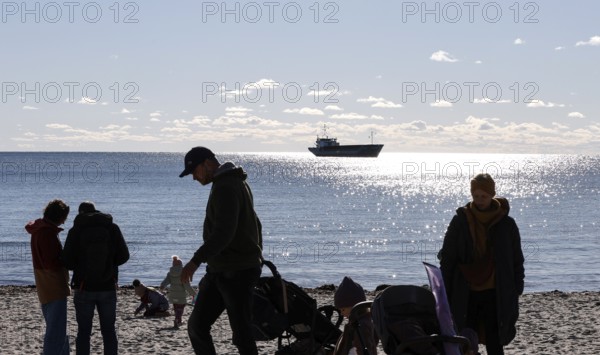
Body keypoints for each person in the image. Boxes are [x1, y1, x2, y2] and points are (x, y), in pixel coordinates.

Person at [178, 146, 263, 355]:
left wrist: (194, 261)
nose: (194, 178)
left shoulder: (226, 186)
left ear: (207, 163)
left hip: (237, 271)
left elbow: (224, 233)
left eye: (194, 171)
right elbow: (255, 225)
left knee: (241, 334)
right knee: (197, 326)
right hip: (221, 269)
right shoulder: (230, 182)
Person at [439, 173, 525, 355]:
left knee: (495, 339)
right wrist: (444, 288)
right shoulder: (460, 220)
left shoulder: (507, 224)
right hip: (465, 290)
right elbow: (447, 256)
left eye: (483, 196)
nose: (479, 200)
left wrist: (517, 286)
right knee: (466, 338)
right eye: (475, 196)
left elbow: (517, 258)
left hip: (497, 290)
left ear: (492, 194)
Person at [61, 201, 130, 355]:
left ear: (80, 213)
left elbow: (67, 261)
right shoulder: (112, 228)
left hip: (83, 287)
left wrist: (80, 265)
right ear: (96, 210)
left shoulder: (76, 230)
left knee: (84, 332)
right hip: (108, 286)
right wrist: (110, 265)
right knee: (109, 331)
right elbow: (124, 256)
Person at [25, 199, 71, 355]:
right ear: (59, 216)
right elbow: (51, 263)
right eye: (64, 217)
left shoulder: (40, 229)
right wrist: (67, 259)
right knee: (55, 331)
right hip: (53, 285)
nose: (65, 221)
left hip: (44, 284)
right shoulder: (47, 233)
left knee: (58, 328)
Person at [333, 277, 378, 355]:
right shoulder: (359, 322)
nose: (341, 314)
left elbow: (363, 349)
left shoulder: (361, 326)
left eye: (343, 309)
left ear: (353, 307)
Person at [160, 255, 197, 328]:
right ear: (181, 265)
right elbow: (187, 286)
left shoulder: (170, 273)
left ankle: (177, 320)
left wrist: (162, 286)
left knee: (176, 307)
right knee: (181, 308)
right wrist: (193, 293)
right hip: (181, 295)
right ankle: (178, 320)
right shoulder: (184, 273)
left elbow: (166, 281)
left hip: (172, 294)